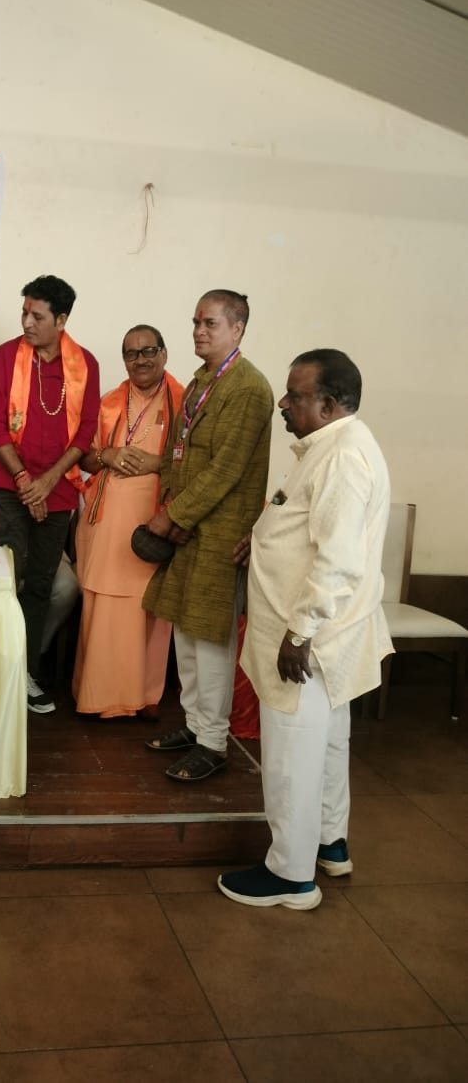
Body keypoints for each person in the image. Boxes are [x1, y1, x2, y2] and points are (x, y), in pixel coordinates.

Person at [218, 350, 391, 909]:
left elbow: (338, 560)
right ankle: (327, 842)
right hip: (324, 635)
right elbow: (305, 525)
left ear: (329, 404)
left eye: (295, 396)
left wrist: (299, 633)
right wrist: (262, 538)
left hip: (307, 639)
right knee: (328, 741)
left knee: (292, 750)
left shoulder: (342, 456)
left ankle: (291, 875)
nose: (283, 403)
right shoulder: (331, 446)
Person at [142, 290, 273, 779]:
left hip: (220, 532)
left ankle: (214, 743)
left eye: (210, 323)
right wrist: (172, 511)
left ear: (237, 329)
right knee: (185, 630)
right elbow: (176, 454)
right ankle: (196, 726)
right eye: (196, 322)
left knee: (211, 638)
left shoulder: (249, 387)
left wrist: (173, 516)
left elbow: (226, 469)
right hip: (188, 529)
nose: (199, 331)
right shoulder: (199, 381)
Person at [0, 274, 100, 713]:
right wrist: (26, 482)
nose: (27, 323)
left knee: (40, 587)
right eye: (24, 313)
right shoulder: (5, 357)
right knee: (0, 583)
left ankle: (23, 673)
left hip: (59, 494)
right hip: (9, 489)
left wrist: (48, 482)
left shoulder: (84, 365)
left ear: (61, 320)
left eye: (38, 316)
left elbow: (86, 432)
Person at [72, 325, 184, 719]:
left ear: (164, 353)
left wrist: (158, 462)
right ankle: (97, 693)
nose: (141, 360)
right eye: (132, 354)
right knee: (103, 606)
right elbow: (84, 457)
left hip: (155, 521)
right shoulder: (108, 403)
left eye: (149, 350)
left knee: (147, 609)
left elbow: (200, 462)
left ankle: (143, 695)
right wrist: (109, 455)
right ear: (124, 361)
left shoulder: (184, 404)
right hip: (106, 524)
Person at [0, 436, 80, 654]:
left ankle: (29, 653)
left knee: (66, 587)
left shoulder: (57, 456)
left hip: (41, 544)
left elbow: (63, 516)